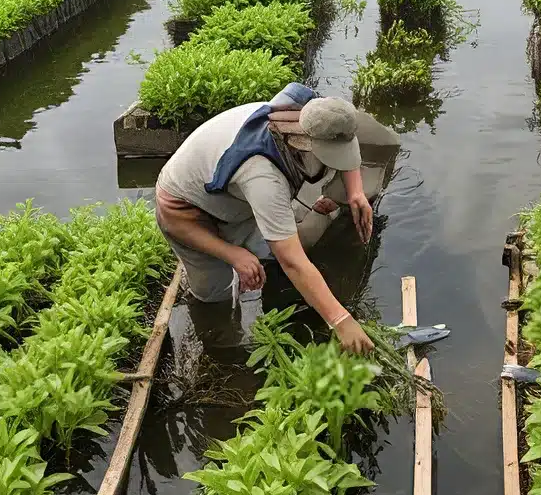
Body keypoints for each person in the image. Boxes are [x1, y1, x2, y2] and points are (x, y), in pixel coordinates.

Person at [154, 82, 375, 355]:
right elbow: (292, 261)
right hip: (185, 210)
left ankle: (277, 312)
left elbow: (341, 137)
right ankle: (222, 350)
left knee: (269, 256)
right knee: (216, 297)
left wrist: (356, 193)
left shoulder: (309, 109)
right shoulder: (263, 177)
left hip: (235, 201)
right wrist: (341, 321)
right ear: (303, 143)